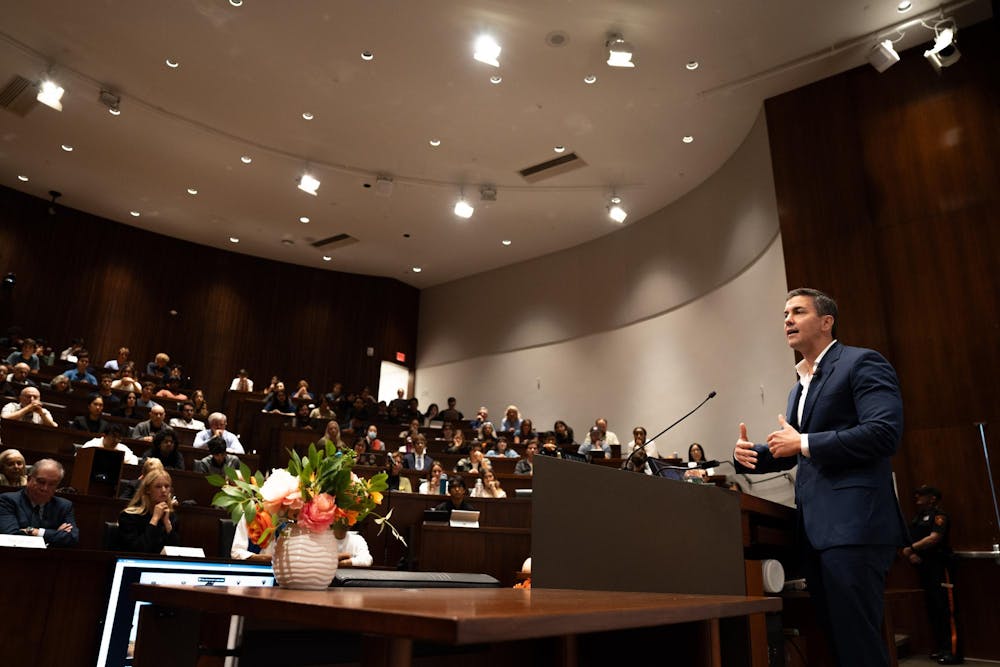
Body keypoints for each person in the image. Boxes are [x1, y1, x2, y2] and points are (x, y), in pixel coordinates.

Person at [733, 288, 906, 667]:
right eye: (784, 314)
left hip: (854, 527)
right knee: (836, 642)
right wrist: (748, 457)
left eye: (798, 312)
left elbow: (883, 433)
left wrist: (804, 441)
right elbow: (792, 451)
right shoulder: (800, 387)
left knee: (859, 643)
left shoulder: (861, 363)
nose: (787, 321)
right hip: (815, 534)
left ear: (827, 322)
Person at [903, 486, 963, 665]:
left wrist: (912, 549)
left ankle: (953, 651)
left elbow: (935, 537)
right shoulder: (918, 517)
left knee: (947, 609)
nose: (917, 497)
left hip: (940, 566)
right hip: (924, 567)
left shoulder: (939, 515)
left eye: (922, 495)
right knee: (933, 609)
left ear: (933, 498)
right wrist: (911, 553)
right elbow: (908, 538)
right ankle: (941, 648)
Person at [0, 459, 78, 547]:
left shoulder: (64, 506)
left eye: (52, 484)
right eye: (41, 482)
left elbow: (72, 538)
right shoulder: (7, 500)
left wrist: (34, 531)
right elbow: (11, 537)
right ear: (29, 479)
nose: (45, 488)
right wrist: (55, 534)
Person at [117, 468, 180, 553]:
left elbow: (175, 552)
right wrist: (154, 519)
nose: (164, 490)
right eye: (158, 486)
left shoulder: (171, 516)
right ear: (147, 490)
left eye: (167, 486)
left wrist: (167, 524)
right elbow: (137, 550)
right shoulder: (128, 516)